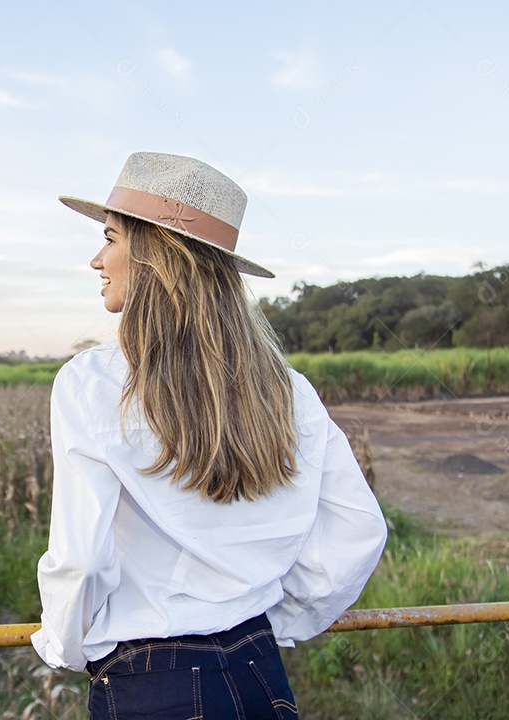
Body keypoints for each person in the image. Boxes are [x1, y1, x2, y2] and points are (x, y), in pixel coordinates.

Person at [31, 152, 387, 719]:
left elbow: (81, 561)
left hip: (150, 683)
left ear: (157, 256)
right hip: (259, 671)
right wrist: (277, 617)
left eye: (111, 238)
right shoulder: (288, 390)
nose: (97, 259)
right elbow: (357, 531)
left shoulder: (91, 383)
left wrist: (64, 645)